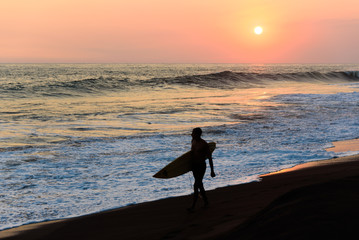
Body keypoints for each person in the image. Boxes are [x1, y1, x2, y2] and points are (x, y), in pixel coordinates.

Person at [188, 127, 215, 212]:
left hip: (201, 166)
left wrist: (212, 171)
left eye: (193, 133)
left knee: (196, 185)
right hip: (194, 167)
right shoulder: (193, 141)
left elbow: (210, 158)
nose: (191, 134)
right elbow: (191, 154)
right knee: (200, 184)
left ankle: (193, 206)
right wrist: (189, 166)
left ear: (198, 134)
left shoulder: (204, 144)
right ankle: (206, 201)